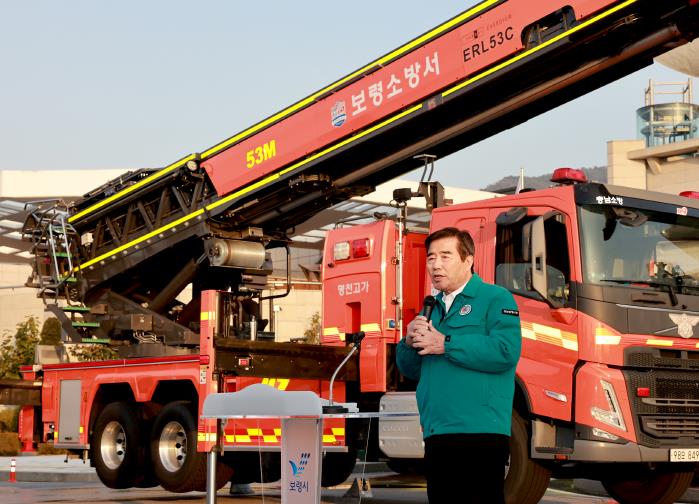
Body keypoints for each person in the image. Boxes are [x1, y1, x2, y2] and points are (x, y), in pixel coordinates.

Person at [396, 227, 522, 504]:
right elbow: (412, 370)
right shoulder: (431, 308)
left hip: (480, 433)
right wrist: (408, 342)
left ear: (468, 261)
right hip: (438, 432)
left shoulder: (495, 298)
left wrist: (446, 344)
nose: (435, 265)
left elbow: (505, 351)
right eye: (431, 258)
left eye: (445, 256)